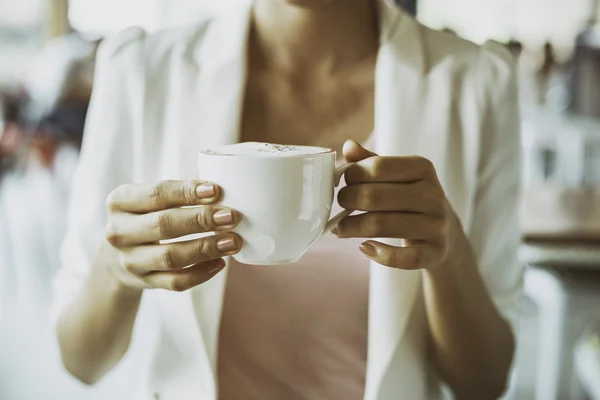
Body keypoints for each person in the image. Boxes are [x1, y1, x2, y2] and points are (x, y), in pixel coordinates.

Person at [53, 0, 522, 399]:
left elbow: (484, 382)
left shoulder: (477, 83)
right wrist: (115, 272)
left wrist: (448, 254)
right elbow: (81, 359)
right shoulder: (142, 72)